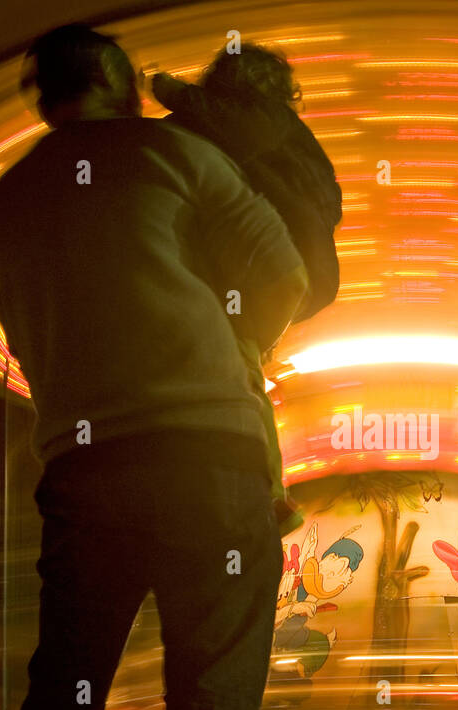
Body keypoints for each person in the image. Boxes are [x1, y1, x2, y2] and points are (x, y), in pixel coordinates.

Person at [0, 24, 308, 710]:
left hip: (85, 477)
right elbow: (284, 270)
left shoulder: (4, 205)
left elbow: (23, 337)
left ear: (44, 98)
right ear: (121, 79)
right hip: (211, 460)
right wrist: (240, 348)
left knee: (60, 709)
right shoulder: (174, 154)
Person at [152, 43, 342, 536]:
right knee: (245, 373)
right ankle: (264, 494)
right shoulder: (291, 137)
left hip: (262, 269)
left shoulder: (252, 122)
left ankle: (260, 495)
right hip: (291, 272)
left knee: (238, 370)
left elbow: (227, 129)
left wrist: (166, 90)